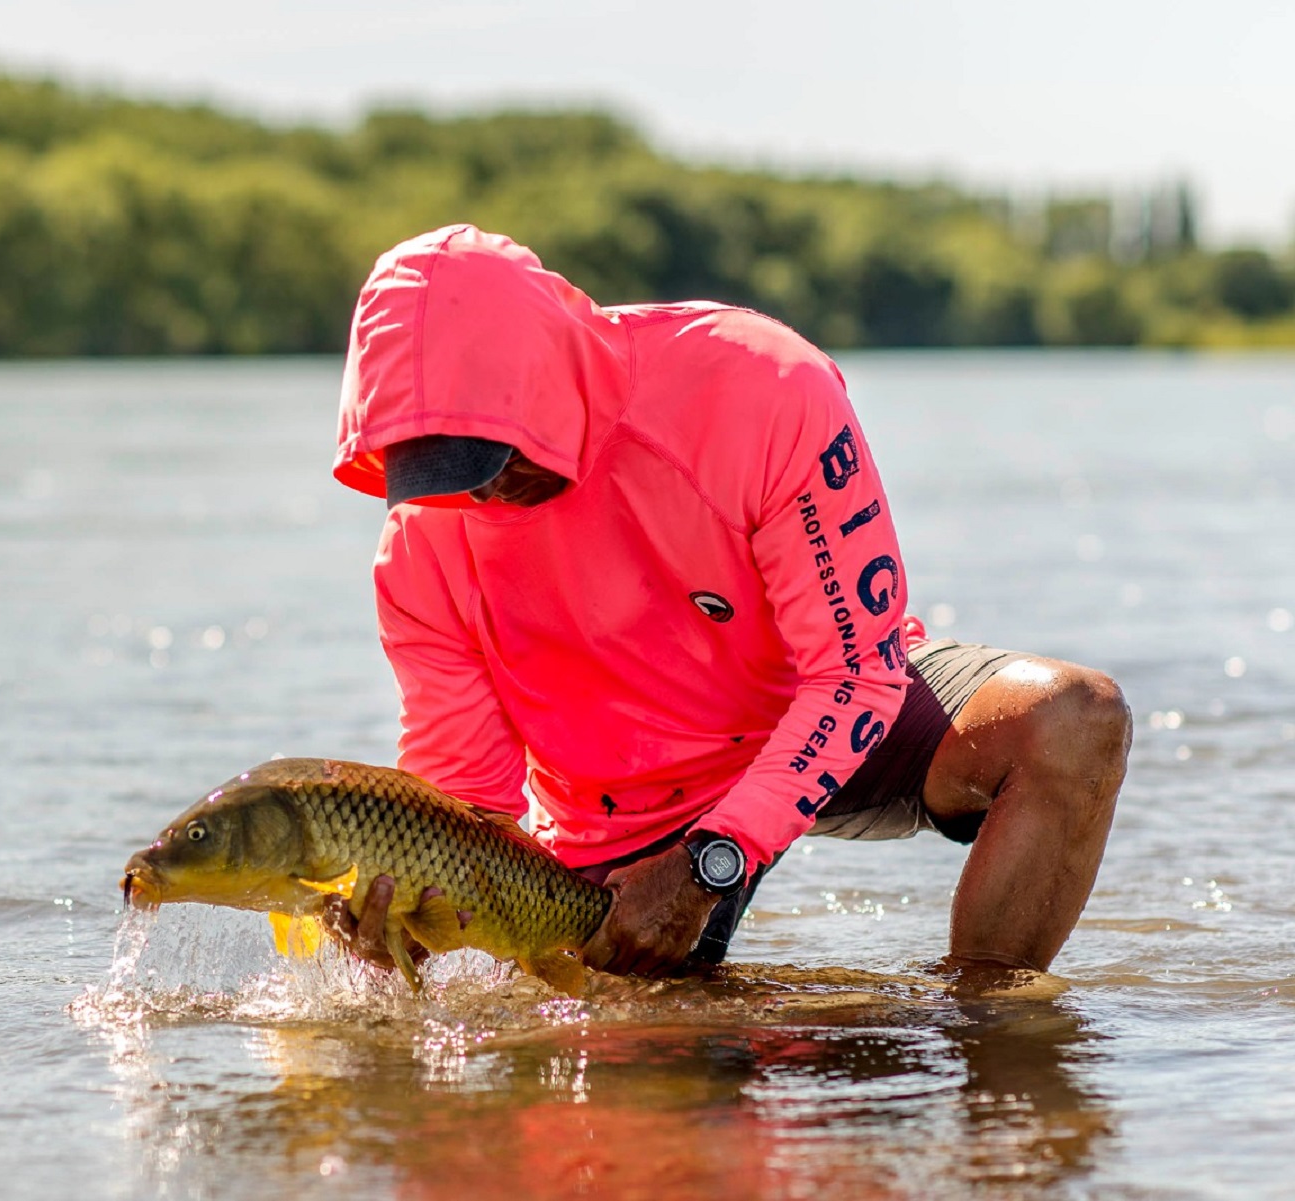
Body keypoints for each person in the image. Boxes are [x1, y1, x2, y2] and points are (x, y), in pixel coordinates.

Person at [323, 224, 1132, 980]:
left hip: (820, 716)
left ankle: (985, 1040)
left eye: (488, 454)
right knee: (628, 1092)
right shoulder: (417, 546)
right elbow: (470, 803)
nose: (481, 491)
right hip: (621, 819)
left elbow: (857, 672)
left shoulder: (764, 385)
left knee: (1074, 720)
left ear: (552, 373)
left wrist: (715, 857)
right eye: (439, 468)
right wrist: (410, 917)